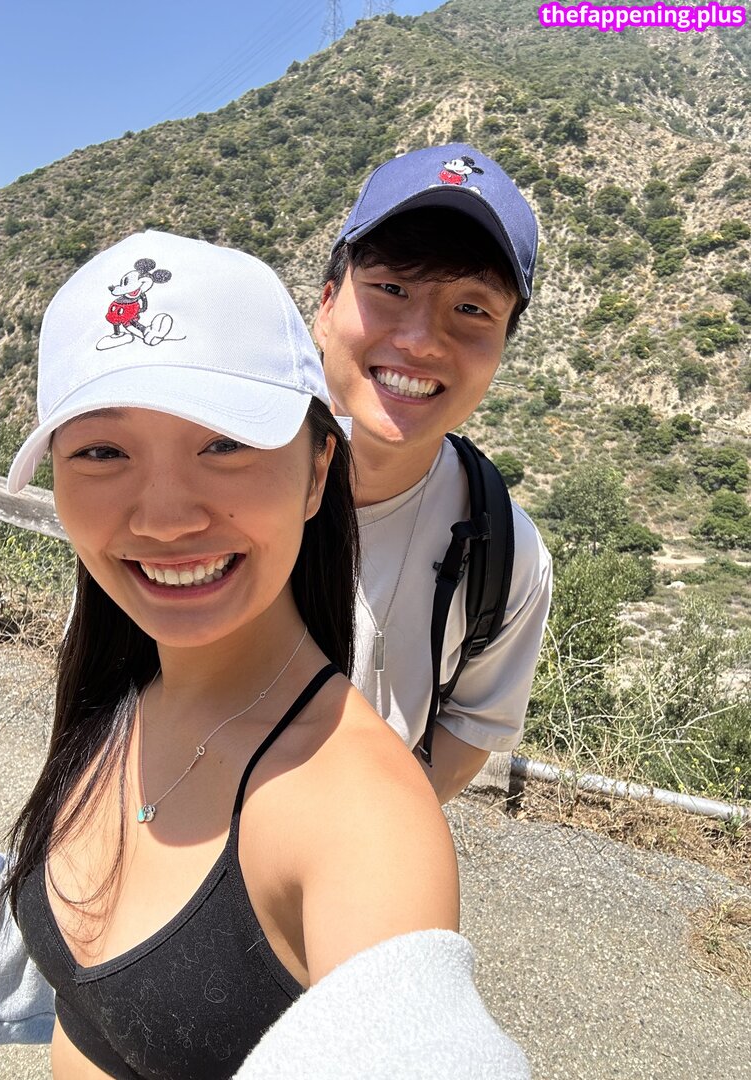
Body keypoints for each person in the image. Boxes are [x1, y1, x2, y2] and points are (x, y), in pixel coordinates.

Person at [0, 141, 549, 1057]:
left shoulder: (500, 554)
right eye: (102, 452)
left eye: (227, 444)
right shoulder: (136, 636)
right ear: (327, 301)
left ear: (315, 474)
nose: (166, 520)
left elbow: (413, 1026)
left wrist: (313, 835)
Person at [315, 142, 551, 803]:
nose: (420, 340)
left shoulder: (507, 552)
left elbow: (471, 728)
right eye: (391, 288)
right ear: (326, 306)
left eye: (472, 309)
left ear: (502, 346)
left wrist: (356, 838)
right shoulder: (209, 473)